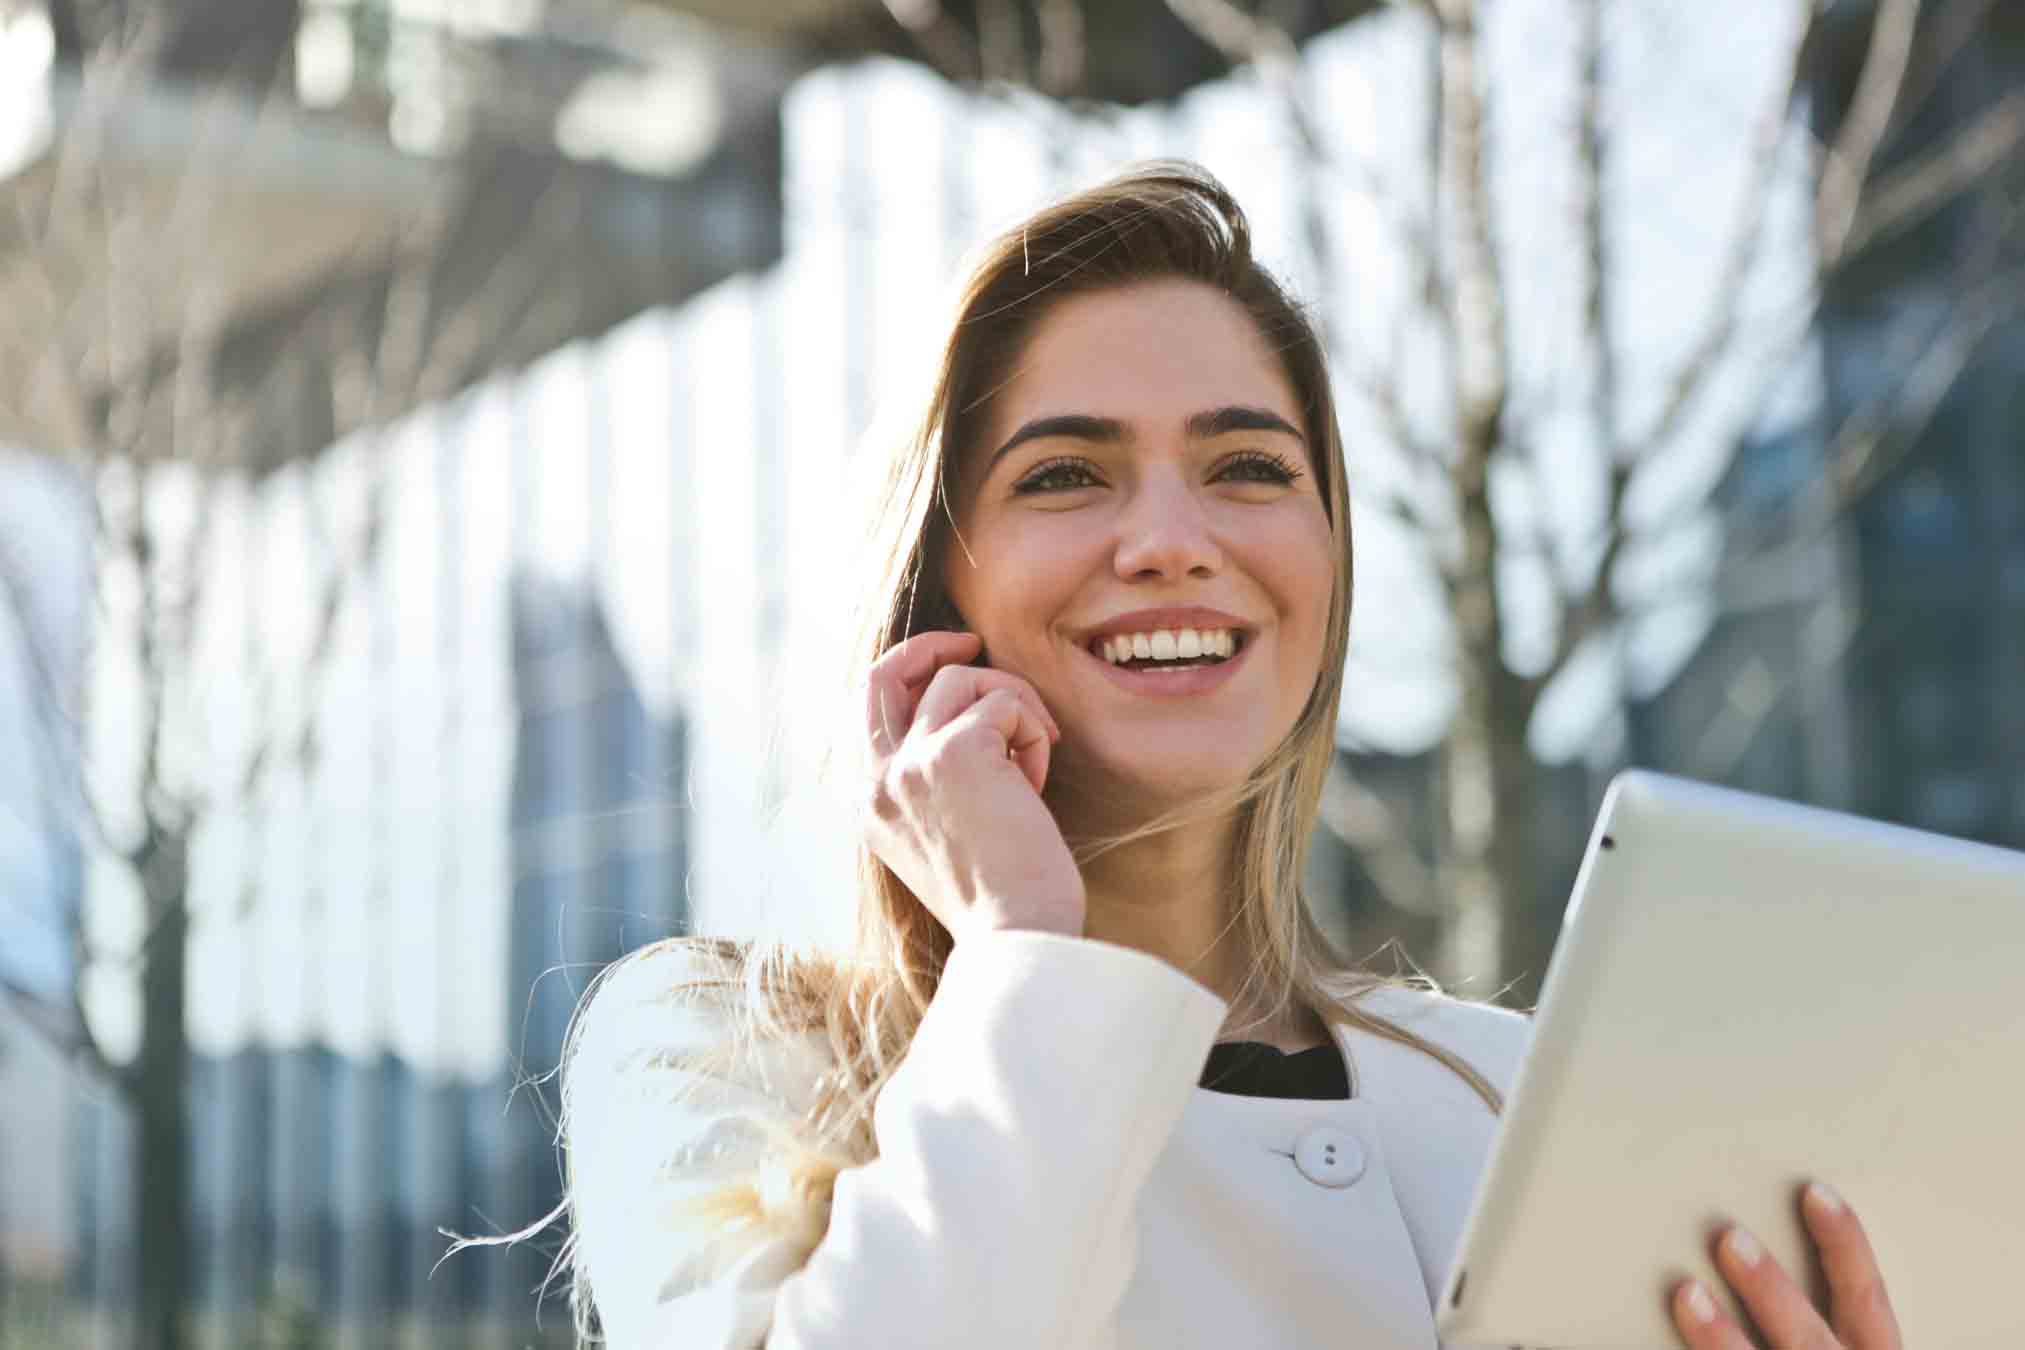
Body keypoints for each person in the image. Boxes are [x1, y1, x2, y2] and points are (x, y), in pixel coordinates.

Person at [558, 163, 1901, 1350]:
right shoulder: (711, 1051)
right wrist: (1027, 948)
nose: (1170, 539)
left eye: (1248, 467)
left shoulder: (1513, 1091)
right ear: (931, 585)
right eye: (1065, 474)